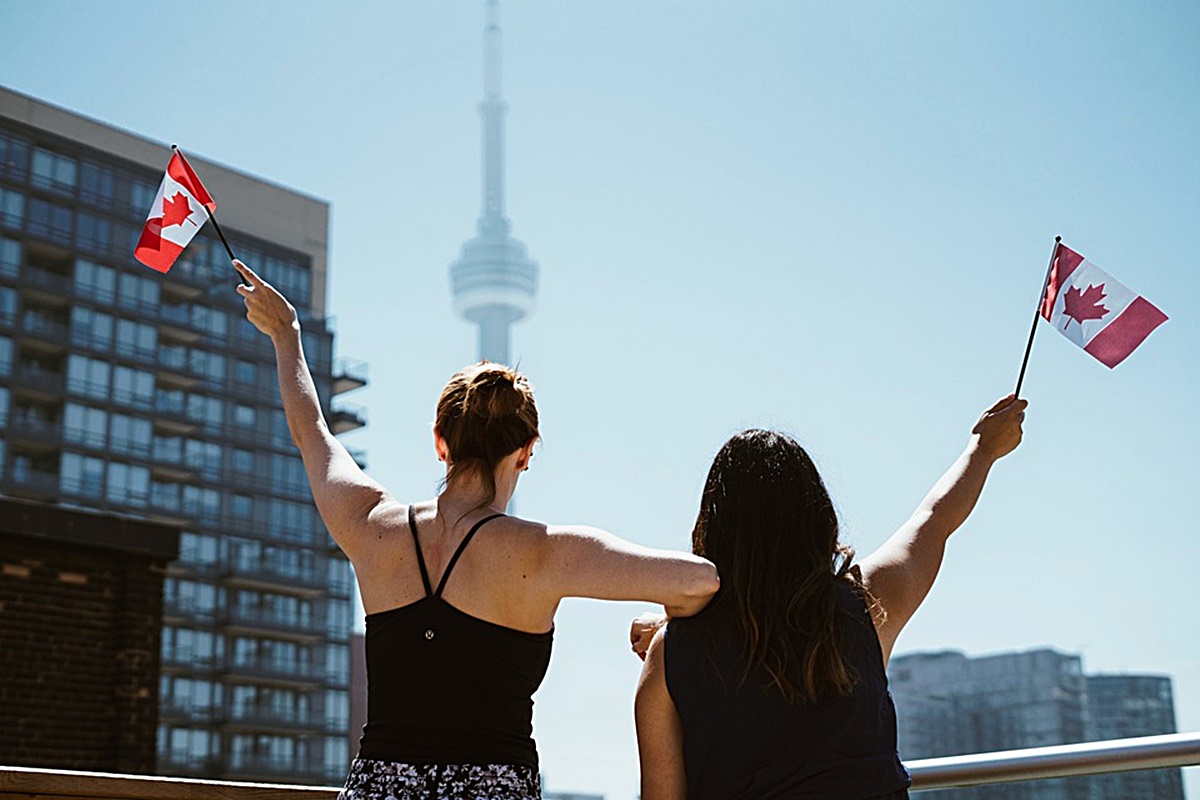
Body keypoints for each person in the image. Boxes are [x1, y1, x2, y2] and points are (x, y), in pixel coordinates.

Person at [232, 259, 720, 800]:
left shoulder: (371, 526)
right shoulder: (545, 553)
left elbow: (313, 433)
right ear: (527, 452)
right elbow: (699, 580)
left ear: (440, 441)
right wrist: (663, 631)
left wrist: (286, 334)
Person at [631, 396, 1027, 800]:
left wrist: (673, 638)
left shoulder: (670, 655)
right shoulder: (867, 607)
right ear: (816, 516)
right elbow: (933, 521)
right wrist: (983, 449)